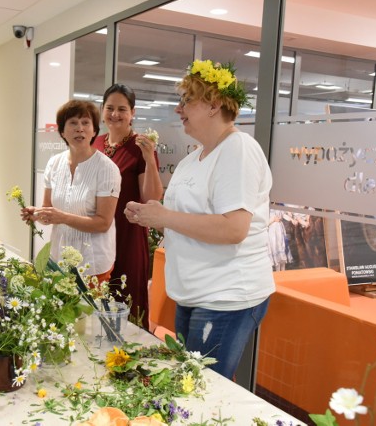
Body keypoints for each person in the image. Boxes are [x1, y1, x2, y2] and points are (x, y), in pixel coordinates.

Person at [125, 59, 274, 380]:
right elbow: (184, 220)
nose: (179, 110)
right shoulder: (193, 158)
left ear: (214, 105)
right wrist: (149, 215)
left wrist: (165, 215)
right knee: (189, 387)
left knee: (200, 391)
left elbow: (234, 229)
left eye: (187, 101)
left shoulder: (239, 150)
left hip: (226, 296)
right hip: (192, 293)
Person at [21, 100, 121, 283]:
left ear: (94, 130)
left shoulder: (107, 168)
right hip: (59, 258)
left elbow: (103, 223)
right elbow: (48, 209)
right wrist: (37, 214)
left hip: (92, 263)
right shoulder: (54, 163)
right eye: (73, 123)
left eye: (85, 123)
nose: (79, 128)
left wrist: (62, 217)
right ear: (62, 131)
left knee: (88, 311)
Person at [92, 84, 163, 329]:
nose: (115, 114)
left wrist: (149, 160)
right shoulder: (96, 143)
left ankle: (128, 361)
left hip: (127, 235)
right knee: (96, 302)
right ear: (102, 110)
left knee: (126, 302)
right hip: (97, 233)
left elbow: (151, 197)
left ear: (132, 112)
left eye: (122, 109)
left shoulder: (140, 145)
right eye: (110, 108)